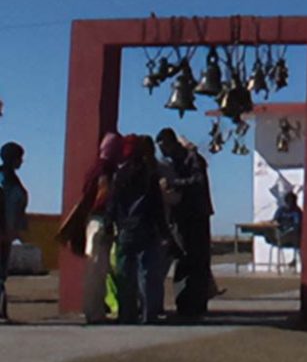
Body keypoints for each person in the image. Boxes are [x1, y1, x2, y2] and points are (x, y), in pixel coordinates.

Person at [156, 128, 214, 319]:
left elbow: (197, 181)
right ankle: (185, 304)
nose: (163, 152)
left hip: (196, 216)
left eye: (164, 146)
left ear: (172, 143)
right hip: (182, 216)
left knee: (198, 261)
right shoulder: (176, 162)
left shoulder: (192, 159)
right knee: (184, 259)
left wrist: (175, 183)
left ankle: (196, 304)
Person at [107, 135, 165, 324]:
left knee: (125, 273)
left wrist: (110, 223)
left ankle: (126, 313)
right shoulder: (150, 175)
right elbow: (157, 206)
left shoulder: (120, 175)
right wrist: (164, 231)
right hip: (146, 227)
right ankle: (149, 314)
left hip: (125, 229)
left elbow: (113, 203)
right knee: (146, 273)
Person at [81, 132, 124, 323]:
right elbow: (105, 198)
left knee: (95, 269)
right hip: (100, 221)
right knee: (98, 270)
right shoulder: (106, 171)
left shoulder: (94, 169)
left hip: (92, 221)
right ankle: (95, 312)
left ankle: (93, 310)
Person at [0, 142, 27, 322]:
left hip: (7, 233)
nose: (21, 161)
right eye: (19, 158)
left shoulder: (12, 179)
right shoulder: (3, 180)